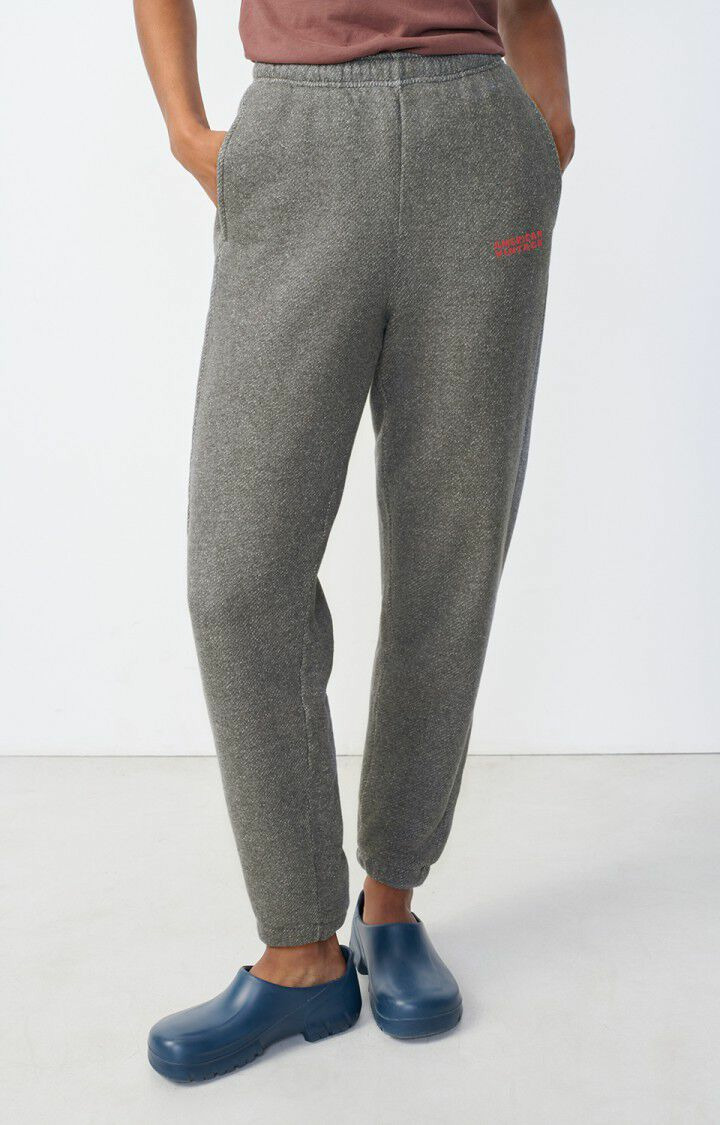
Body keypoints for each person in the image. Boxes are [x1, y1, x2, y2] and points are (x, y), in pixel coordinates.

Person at [135, 0, 574, 1082]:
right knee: (239, 577)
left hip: (480, 145)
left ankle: (391, 904)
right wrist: (187, 131)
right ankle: (300, 950)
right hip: (296, 139)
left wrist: (546, 137)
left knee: (449, 551)